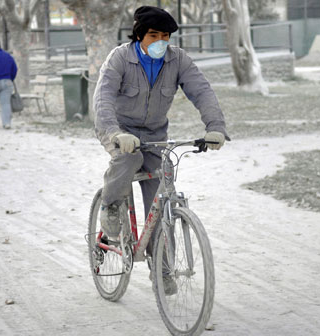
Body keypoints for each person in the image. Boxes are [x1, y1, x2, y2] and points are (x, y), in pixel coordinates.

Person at [93, 6, 229, 294]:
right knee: (130, 158)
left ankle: (163, 269)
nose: (160, 42)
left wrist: (215, 127)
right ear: (140, 35)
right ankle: (110, 206)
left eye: (165, 36)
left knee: (161, 201)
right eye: (153, 35)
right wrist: (116, 133)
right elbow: (103, 99)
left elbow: (201, 90)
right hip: (120, 132)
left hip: (156, 136)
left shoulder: (177, 60)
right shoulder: (119, 58)